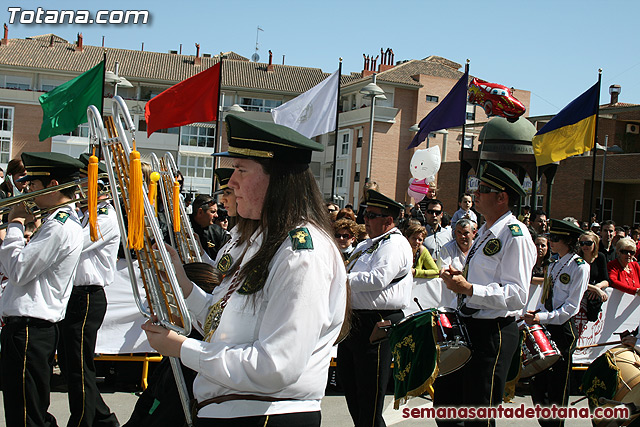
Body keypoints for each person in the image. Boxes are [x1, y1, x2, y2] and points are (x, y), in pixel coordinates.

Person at [142, 115, 347, 426]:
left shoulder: (300, 252)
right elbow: (222, 323)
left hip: (265, 414)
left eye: (241, 169)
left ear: (275, 178)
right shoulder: (261, 240)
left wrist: (183, 348)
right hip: (236, 410)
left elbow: (276, 366)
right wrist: (182, 285)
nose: (231, 182)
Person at [435, 161, 536, 427]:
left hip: (494, 331)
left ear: (502, 198)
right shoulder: (485, 232)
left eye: (483, 189)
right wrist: (459, 279)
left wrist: (469, 289)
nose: (475, 194)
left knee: (478, 414)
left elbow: (516, 294)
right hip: (470, 327)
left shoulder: (515, 235)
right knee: (446, 408)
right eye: (476, 188)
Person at [0, 152, 84, 427]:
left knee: (26, 416)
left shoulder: (58, 227)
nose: (28, 190)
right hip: (30, 329)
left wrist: (14, 223)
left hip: (29, 330)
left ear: (52, 185)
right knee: (27, 410)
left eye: (33, 184)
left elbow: (18, 270)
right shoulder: (56, 222)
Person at [338, 189, 412, 427]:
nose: (365, 220)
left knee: (370, 393)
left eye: (371, 215)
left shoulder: (394, 244)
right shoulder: (367, 245)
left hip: (377, 322)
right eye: (365, 214)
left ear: (388, 220)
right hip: (356, 320)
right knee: (351, 387)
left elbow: (378, 278)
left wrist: (340, 279)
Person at [57, 154, 120, 427]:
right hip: (74, 296)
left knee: (80, 367)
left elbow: (75, 244)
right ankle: (103, 420)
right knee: (73, 365)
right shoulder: (84, 214)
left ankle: (83, 421)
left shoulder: (104, 216)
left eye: (85, 181)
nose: (80, 187)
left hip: (87, 296)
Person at [524, 219, 589, 427]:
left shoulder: (580, 267)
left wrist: (541, 317)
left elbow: (571, 308)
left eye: (555, 238)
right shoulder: (552, 264)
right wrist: (538, 313)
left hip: (563, 328)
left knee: (557, 383)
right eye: (551, 237)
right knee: (537, 378)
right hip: (546, 324)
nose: (551, 241)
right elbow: (547, 297)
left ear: (568, 241)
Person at [403, 222, 442, 313]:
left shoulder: (422, 251)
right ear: (407, 238)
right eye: (414, 238)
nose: (417, 242)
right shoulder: (401, 250)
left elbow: (436, 272)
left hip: (415, 294)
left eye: (420, 240)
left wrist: (416, 272)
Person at [438, 218, 477, 308]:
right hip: (451, 299)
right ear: (455, 233)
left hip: (473, 299)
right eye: (459, 233)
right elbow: (443, 271)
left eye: (466, 233)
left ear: (474, 233)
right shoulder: (447, 249)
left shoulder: (478, 248)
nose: (462, 236)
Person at [578, 231, 609, 320]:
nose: (585, 246)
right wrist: (594, 289)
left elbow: (606, 280)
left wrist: (597, 287)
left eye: (588, 243)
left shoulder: (600, 257)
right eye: (582, 243)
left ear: (595, 244)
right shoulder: (576, 258)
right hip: (578, 298)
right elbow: (576, 281)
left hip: (593, 301)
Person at [189, 194, 229, 260]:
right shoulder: (183, 227)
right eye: (213, 212)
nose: (216, 216)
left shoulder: (218, 233)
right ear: (200, 212)